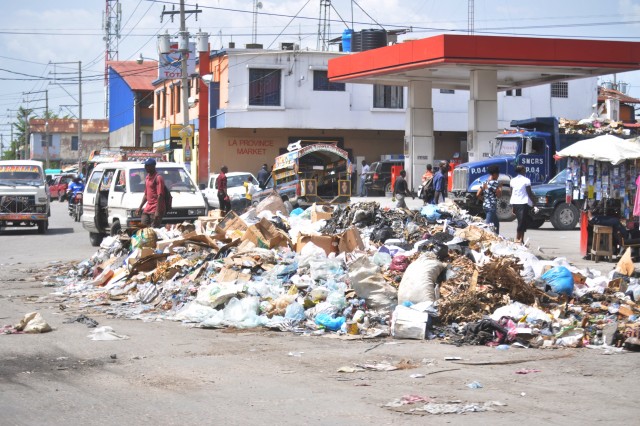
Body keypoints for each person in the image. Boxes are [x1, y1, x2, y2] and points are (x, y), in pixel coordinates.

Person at [136, 158, 167, 228]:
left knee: (153, 230)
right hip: (148, 208)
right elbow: (146, 195)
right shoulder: (147, 178)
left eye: (147, 166)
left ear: (153, 166)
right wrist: (140, 207)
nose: (145, 167)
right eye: (145, 166)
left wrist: (157, 212)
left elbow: (160, 196)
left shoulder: (158, 178)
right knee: (143, 227)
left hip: (156, 208)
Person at [510, 165, 536, 244]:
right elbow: (529, 193)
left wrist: (513, 205)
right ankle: (517, 239)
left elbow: (511, 192)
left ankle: (521, 239)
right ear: (522, 171)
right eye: (524, 170)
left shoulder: (512, 180)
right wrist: (534, 202)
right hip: (523, 203)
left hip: (515, 202)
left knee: (522, 221)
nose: (525, 171)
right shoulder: (526, 180)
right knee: (521, 222)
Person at [476, 165, 502, 234]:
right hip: (491, 207)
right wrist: (500, 188)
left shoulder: (485, 182)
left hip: (485, 206)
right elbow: (499, 195)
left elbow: (478, 194)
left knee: (496, 224)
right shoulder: (495, 183)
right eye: (498, 174)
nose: (498, 176)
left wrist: (484, 200)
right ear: (494, 174)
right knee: (487, 226)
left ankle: (497, 237)